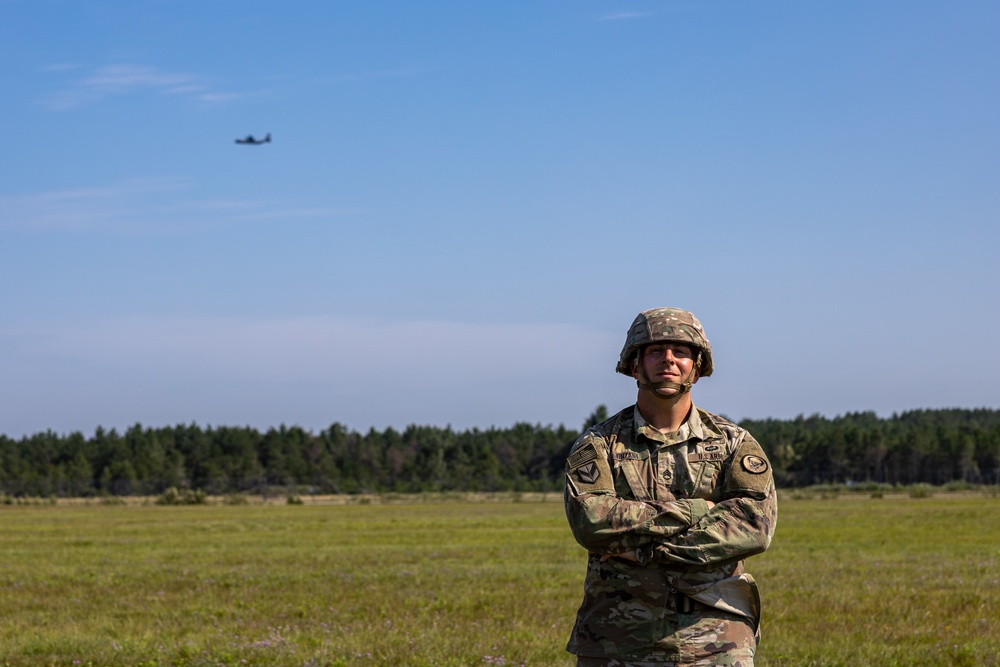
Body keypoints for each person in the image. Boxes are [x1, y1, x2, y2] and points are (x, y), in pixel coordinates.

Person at [564, 307, 777, 667]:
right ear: (635, 365)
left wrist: (643, 553)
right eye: (654, 351)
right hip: (618, 638)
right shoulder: (597, 445)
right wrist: (697, 510)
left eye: (680, 352)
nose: (668, 361)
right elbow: (592, 522)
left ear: (696, 366)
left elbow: (754, 526)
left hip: (718, 637)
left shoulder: (733, 443)